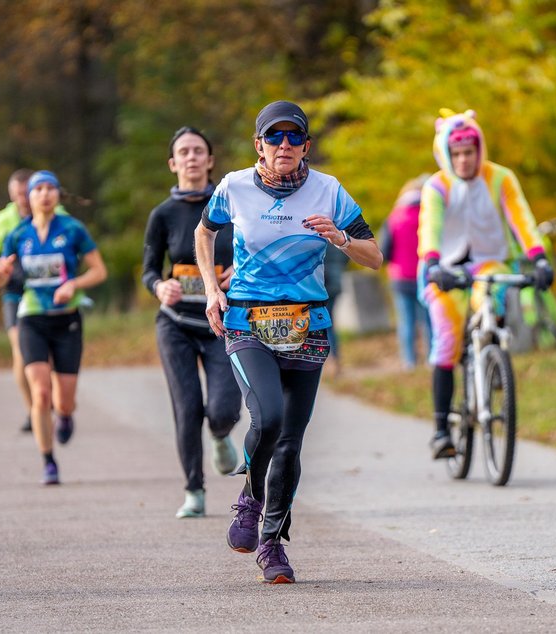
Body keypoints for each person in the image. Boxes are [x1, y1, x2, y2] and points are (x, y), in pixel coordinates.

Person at [195, 100, 382, 584]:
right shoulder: (233, 187)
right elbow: (204, 231)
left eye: (293, 137)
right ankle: (249, 500)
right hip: (247, 320)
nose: (284, 145)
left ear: (305, 145)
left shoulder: (329, 190)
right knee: (269, 419)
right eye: (273, 137)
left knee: (292, 444)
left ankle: (272, 544)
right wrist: (213, 289)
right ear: (258, 144)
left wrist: (340, 238)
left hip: (308, 324)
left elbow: (375, 256)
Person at [418, 108, 553, 459]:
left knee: (491, 298)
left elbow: (521, 218)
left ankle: (492, 361)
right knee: (447, 338)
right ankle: (441, 430)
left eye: (470, 152)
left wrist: (538, 256)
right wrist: (432, 263)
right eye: (457, 154)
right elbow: (429, 227)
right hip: (444, 268)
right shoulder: (437, 186)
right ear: (447, 155)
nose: (464, 160)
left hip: (490, 261)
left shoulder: (501, 178)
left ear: (480, 150)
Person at [142, 126, 242, 519]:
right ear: (173, 164)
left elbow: (253, 249)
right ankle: (194, 491)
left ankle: (220, 434)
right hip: (176, 323)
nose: (191, 157)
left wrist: (240, 270)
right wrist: (160, 286)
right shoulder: (163, 215)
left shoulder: (231, 206)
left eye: (198, 150)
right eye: (183, 152)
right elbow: (148, 270)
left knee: (222, 408)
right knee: (186, 406)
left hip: (222, 322)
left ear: (210, 160)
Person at [0, 170, 107, 485]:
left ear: (57, 195)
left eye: (50, 188)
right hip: (32, 318)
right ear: (28, 197)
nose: (44, 194)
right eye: (38, 189)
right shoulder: (17, 235)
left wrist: (74, 285)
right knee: (41, 393)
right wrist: (1, 273)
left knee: (62, 400)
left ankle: (66, 416)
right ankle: (48, 460)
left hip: (67, 318)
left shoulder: (72, 229)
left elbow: (99, 271)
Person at [0, 169, 38, 432]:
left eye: (26, 193)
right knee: (22, 352)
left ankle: (50, 399)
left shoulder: (56, 216)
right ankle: (32, 411)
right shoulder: (2, 221)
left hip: (47, 294)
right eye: (17, 195)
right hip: (14, 293)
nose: (22, 200)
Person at [380, 175, 433, 370]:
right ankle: (431, 358)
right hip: (425, 276)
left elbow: (384, 251)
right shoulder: (430, 215)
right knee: (428, 320)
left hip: (400, 278)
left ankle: (409, 361)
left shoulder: (394, 217)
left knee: (406, 321)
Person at [322, 241, 349, 376]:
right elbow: (347, 257)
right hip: (336, 282)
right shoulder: (338, 236)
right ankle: (335, 360)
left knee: (325, 325)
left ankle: (331, 360)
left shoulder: (319, 239)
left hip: (323, 285)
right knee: (331, 323)